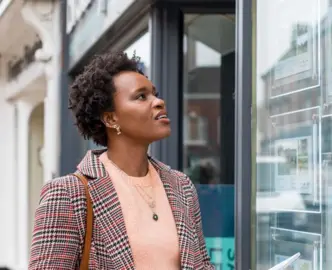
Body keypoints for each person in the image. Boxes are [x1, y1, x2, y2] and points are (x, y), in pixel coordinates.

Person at [28, 52, 214, 269]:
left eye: (155, 94)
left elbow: (201, 265)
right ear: (110, 118)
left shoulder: (181, 187)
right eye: (141, 97)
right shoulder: (68, 194)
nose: (159, 102)